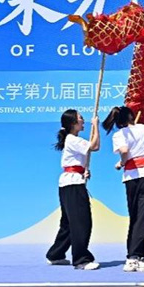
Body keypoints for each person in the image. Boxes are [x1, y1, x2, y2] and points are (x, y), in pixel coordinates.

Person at [103, 105, 144, 272]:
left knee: (135, 217)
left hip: (131, 177)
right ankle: (134, 257)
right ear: (131, 116)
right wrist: (123, 159)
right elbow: (126, 150)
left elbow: (125, 151)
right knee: (143, 216)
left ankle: (135, 255)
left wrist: (122, 162)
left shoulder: (119, 134)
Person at [46, 109, 100, 270]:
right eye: (80, 118)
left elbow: (77, 162)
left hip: (71, 182)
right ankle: (81, 260)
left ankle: (55, 254)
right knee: (81, 222)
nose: (83, 121)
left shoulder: (73, 140)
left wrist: (83, 171)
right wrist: (96, 126)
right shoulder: (72, 139)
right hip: (72, 185)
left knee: (69, 223)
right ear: (73, 123)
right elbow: (95, 146)